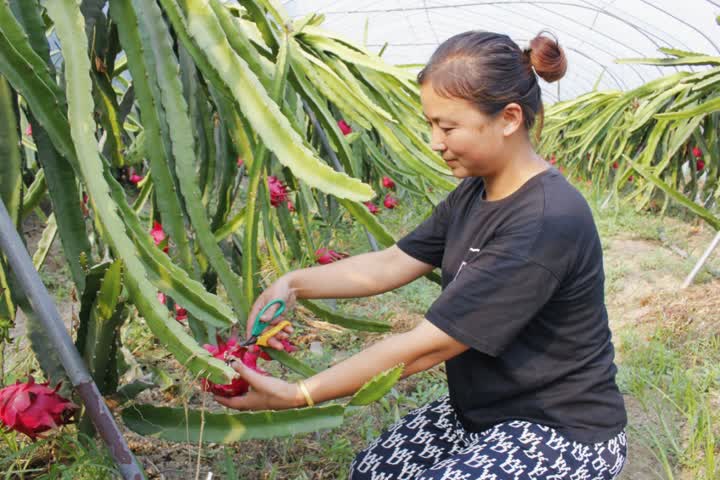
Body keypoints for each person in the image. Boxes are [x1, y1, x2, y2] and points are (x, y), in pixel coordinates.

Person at [215, 30, 628, 479]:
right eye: (431, 124)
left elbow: (426, 347)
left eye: (447, 127)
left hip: (562, 431)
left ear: (509, 118)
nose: (435, 142)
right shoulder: (476, 192)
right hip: (480, 415)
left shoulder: (546, 220)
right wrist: (293, 282)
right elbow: (391, 263)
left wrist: (299, 393)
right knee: (370, 473)